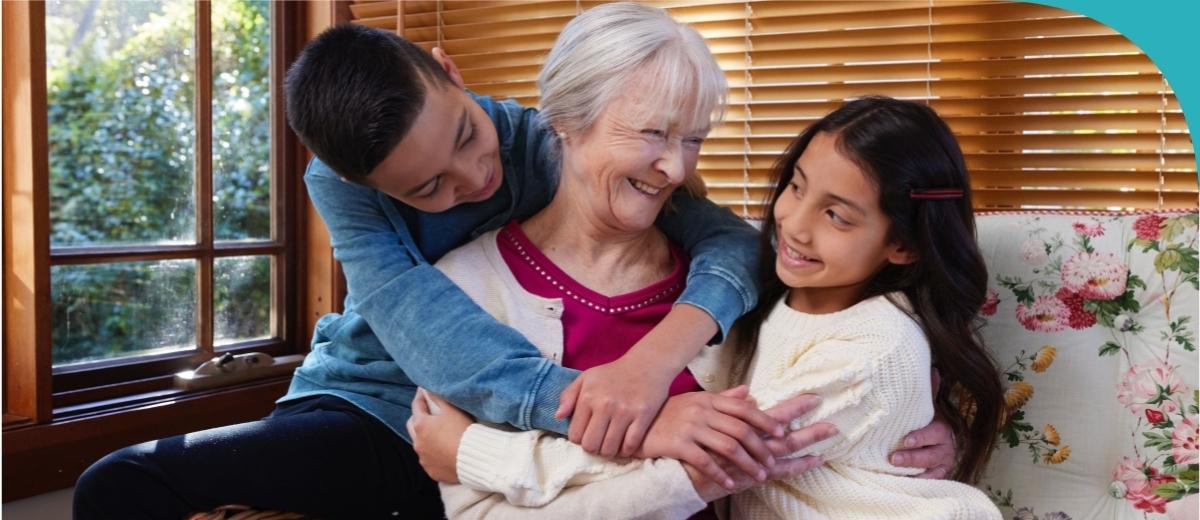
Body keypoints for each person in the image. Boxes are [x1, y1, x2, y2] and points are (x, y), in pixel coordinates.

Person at [74, 14, 956, 519]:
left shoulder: (552, 143)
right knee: (124, 482)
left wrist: (893, 430)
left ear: (454, 75)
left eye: (466, 136)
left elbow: (742, 246)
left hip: (496, 442)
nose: (475, 179)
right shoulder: (356, 197)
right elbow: (440, 342)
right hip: (378, 404)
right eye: (427, 187)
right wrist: (633, 420)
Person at [403, 5, 980, 519]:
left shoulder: (753, 272)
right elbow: (479, 510)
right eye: (654, 133)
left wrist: (916, 430)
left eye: (694, 140)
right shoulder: (463, 291)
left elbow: (848, 377)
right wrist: (671, 454)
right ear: (566, 120)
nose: (677, 171)